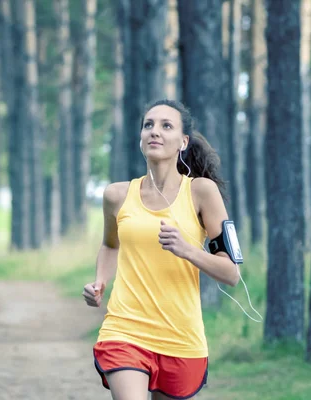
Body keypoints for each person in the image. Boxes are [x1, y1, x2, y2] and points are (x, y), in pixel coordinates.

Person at [82, 99, 240, 400]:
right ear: (141, 138)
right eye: (148, 125)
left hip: (181, 338)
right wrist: (100, 281)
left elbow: (231, 273)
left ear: (183, 142)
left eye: (166, 126)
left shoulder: (202, 192)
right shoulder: (117, 195)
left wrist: (188, 250)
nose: (155, 131)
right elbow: (109, 244)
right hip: (125, 330)